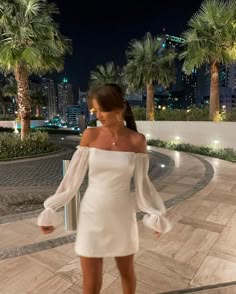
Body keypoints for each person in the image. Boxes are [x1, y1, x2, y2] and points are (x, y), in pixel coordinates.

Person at [37, 83, 172, 294]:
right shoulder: (90, 135)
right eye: (94, 110)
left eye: (102, 110)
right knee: (90, 281)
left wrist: (155, 213)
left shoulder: (137, 140)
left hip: (122, 215)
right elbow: (72, 178)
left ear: (118, 108)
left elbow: (143, 183)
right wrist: (52, 208)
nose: (98, 115)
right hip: (93, 213)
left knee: (127, 272)